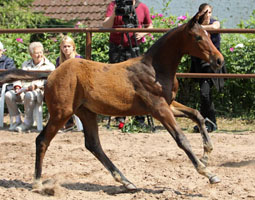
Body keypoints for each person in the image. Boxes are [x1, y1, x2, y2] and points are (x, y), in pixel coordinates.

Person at [103, 0, 153, 128]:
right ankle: (120, 117)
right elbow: (105, 25)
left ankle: (140, 118)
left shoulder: (142, 7)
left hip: (134, 47)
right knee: (117, 81)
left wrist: (143, 32)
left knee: (138, 81)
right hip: (116, 47)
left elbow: (150, 26)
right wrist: (115, 13)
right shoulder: (114, 5)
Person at [190, 3, 226, 133]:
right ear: (199, 13)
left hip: (212, 63)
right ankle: (209, 122)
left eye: (209, 12)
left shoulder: (214, 23)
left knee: (205, 93)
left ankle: (206, 121)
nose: (207, 15)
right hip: (199, 63)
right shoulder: (195, 24)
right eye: (205, 12)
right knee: (205, 93)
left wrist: (198, 27)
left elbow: (215, 27)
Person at [5, 42, 55, 132]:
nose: (39, 55)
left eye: (41, 52)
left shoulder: (49, 66)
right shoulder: (25, 64)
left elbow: (48, 82)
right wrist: (17, 86)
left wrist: (35, 86)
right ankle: (17, 120)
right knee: (9, 95)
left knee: (29, 95)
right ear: (31, 54)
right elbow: (18, 76)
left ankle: (28, 122)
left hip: (38, 91)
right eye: (37, 53)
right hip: (23, 90)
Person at [56, 35, 83, 131]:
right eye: (64, 46)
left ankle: (73, 123)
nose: (66, 49)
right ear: (61, 48)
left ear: (73, 47)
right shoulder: (59, 60)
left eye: (68, 46)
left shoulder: (79, 58)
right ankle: (67, 123)